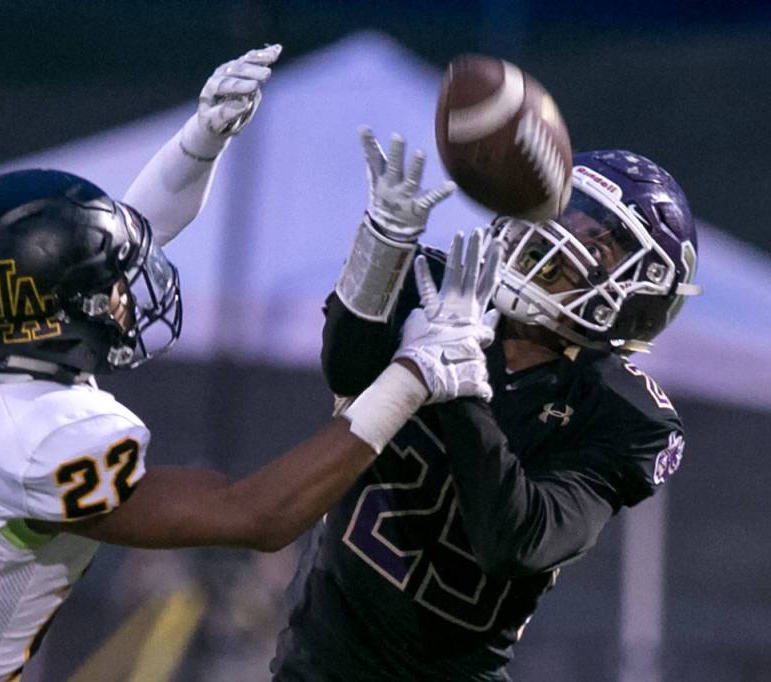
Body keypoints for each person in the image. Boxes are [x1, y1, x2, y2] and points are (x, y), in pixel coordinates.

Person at [0, 48, 497, 682]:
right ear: (38, 322)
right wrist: (413, 373)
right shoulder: (41, 434)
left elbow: (113, 237)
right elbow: (257, 516)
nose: (124, 302)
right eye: (104, 296)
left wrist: (199, 144)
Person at [272, 131, 701, 681]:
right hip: (318, 664)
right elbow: (347, 367)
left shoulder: (624, 414)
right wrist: (382, 244)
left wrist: (459, 381)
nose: (559, 239)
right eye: (566, 216)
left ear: (641, 292)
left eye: (596, 244)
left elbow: (519, 542)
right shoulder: (437, 288)